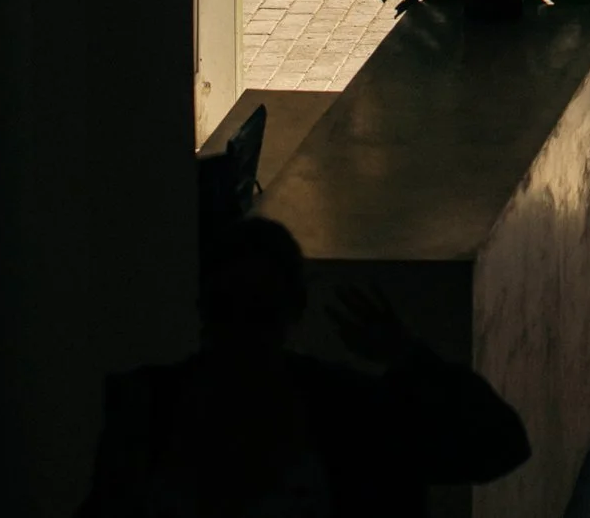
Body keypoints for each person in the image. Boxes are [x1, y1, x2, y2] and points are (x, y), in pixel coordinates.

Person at [78, 216, 531, 517]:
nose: (241, 325)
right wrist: (409, 358)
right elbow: (499, 445)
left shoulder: (147, 410)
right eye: (231, 306)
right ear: (294, 309)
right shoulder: (348, 412)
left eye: (251, 306)